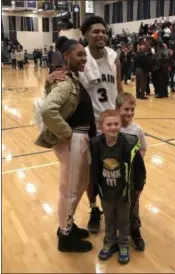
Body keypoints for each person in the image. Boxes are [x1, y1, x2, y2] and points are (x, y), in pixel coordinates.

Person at [45, 15, 124, 234]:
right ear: (86, 35)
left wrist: (123, 112)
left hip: (111, 123)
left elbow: (118, 86)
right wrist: (50, 77)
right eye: (96, 31)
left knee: (113, 169)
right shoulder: (81, 55)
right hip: (89, 125)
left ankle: (113, 209)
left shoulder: (114, 56)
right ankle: (93, 209)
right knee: (90, 173)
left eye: (104, 31)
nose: (101, 35)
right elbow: (63, 76)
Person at [35, 39, 96, 253]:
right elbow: (48, 110)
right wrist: (67, 133)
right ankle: (65, 236)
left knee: (82, 183)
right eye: (80, 55)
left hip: (81, 139)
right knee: (70, 189)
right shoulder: (64, 81)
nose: (84, 58)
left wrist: (47, 82)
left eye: (85, 55)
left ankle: (67, 225)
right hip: (74, 139)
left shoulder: (72, 78)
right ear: (67, 56)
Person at [90, 109, 146, 264]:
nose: (113, 127)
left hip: (124, 192)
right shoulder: (96, 144)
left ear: (121, 125)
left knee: (123, 220)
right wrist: (93, 189)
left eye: (116, 124)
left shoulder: (129, 144)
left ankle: (123, 245)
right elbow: (94, 168)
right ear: (101, 127)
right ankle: (110, 242)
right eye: (109, 124)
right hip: (106, 191)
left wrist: (139, 185)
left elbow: (139, 167)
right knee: (109, 219)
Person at [115, 92, 147, 251]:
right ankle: (116, 232)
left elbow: (143, 148)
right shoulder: (113, 127)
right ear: (117, 109)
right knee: (116, 203)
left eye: (132, 109)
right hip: (116, 175)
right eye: (126, 109)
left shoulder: (137, 129)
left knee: (133, 204)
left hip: (132, 177)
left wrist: (135, 168)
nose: (130, 113)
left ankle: (135, 230)